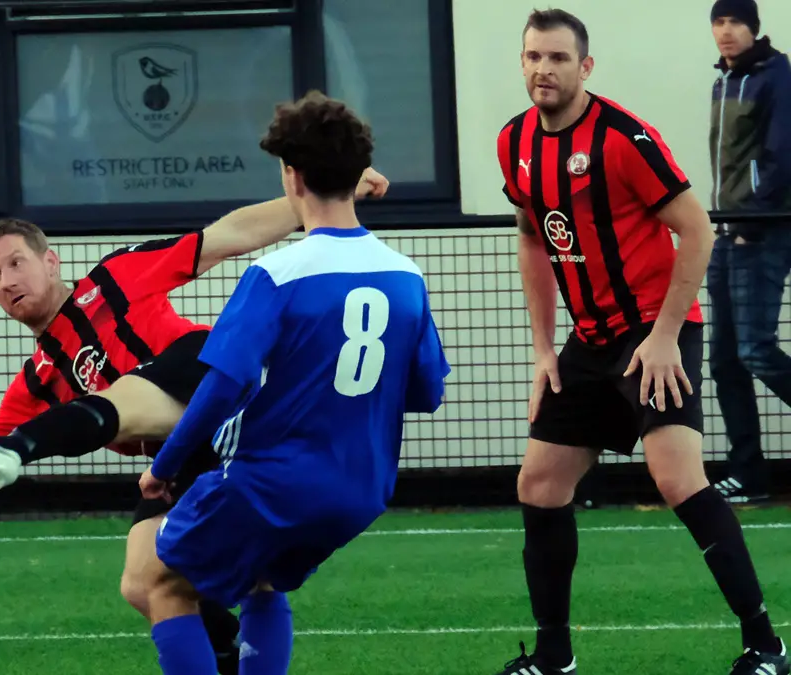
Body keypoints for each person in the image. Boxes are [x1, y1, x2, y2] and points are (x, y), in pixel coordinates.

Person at [0, 167, 390, 675]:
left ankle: (25, 446)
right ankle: (228, 657)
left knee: (135, 404)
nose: (4, 281)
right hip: (176, 455)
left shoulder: (117, 277)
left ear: (51, 261)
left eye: (15, 263)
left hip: (218, 395)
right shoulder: (40, 377)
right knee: (144, 583)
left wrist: (323, 198)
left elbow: (227, 235)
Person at [493, 9, 786, 675]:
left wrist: (662, 336)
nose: (544, 68)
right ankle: (554, 657)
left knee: (678, 478)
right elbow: (534, 238)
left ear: (584, 67)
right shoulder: (514, 143)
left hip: (657, 329)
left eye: (559, 58)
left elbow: (698, 229)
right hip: (590, 341)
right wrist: (544, 348)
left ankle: (767, 646)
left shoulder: (624, 138)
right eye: (534, 56)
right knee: (538, 483)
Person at [135, 90, 449, 675]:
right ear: (357, 175)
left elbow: (223, 387)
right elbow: (427, 392)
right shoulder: (407, 276)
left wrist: (164, 466)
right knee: (261, 581)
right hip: (361, 492)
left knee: (161, 584)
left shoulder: (276, 274)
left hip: (273, 484)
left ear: (292, 176)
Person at [706, 0, 791, 504]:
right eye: (717, 22)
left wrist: (753, 219)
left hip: (760, 231)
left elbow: (783, 155)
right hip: (726, 231)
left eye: (734, 21)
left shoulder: (775, 75)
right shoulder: (723, 81)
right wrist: (728, 224)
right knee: (724, 362)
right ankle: (749, 473)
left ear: (753, 28)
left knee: (755, 349)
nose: (725, 31)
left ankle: (750, 472)